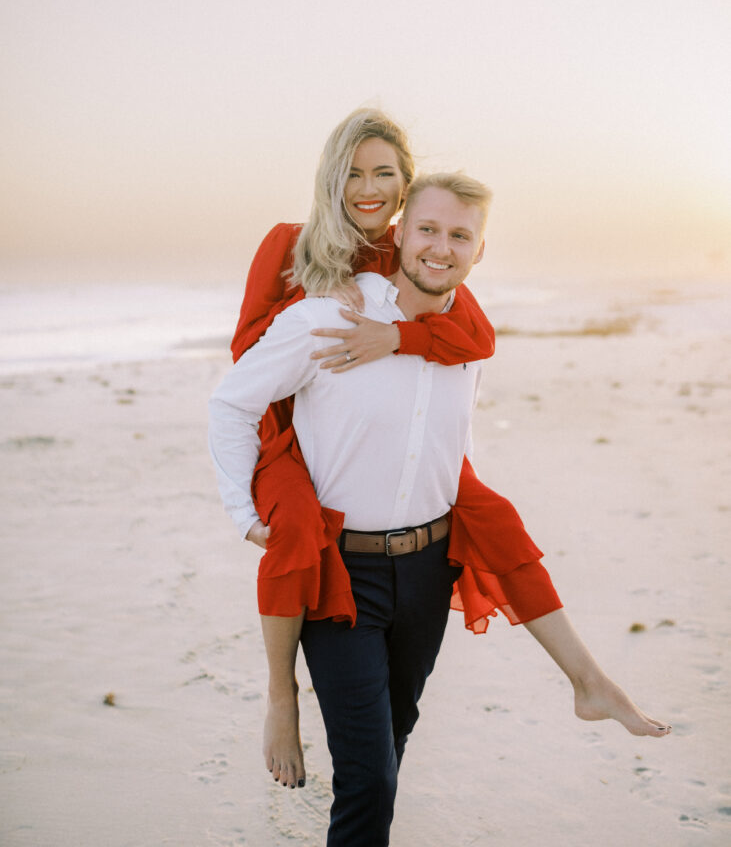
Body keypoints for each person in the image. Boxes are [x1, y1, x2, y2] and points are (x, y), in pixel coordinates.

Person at [210, 173, 670, 846]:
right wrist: (242, 511)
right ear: (398, 235)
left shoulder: (466, 340)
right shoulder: (325, 315)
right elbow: (232, 401)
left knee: (387, 754)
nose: (440, 247)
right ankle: (282, 705)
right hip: (343, 576)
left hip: (427, 572)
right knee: (370, 779)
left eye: (460, 235)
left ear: (479, 251)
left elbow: (448, 438)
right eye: (427, 229)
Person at [226, 109, 565, 792]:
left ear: (406, 188)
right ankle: (280, 697)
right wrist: (317, 312)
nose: (367, 187)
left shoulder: (406, 250)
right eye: (352, 172)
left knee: (487, 513)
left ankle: (584, 675)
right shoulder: (288, 243)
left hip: (375, 437)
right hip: (287, 427)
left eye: (384, 173)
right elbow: (247, 355)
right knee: (294, 527)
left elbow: (473, 340)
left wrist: (395, 336)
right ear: (331, 178)